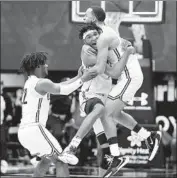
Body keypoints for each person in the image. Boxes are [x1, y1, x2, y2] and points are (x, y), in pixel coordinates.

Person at [64, 7, 161, 177]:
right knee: (113, 114)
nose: (84, 17)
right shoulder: (101, 36)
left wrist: (78, 79)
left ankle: (113, 156)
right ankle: (148, 136)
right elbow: (115, 45)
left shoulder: (101, 38)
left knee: (105, 113)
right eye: (89, 37)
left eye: (86, 15)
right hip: (113, 82)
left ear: (93, 18)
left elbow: (108, 70)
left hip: (127, 76)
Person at [62, 23, 134, 177]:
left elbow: (117, 71)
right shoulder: (86, 50)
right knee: (99, 108)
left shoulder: (105, 50)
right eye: (89, 36)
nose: (93, 38)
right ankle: (72, 146)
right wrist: (122, 53)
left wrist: (125, 49)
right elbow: (115, 72)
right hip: (90, 97)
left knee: (106, 150)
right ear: (84, 41)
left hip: (104, 99)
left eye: (95, 34)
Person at [17, 52, 96, 177]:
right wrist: (83, 79)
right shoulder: (41, 82)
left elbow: (60, 85)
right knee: (61, 161)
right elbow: (64, 91)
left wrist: (78, 77)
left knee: (46, 159)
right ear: (38, 66)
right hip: (34, 129)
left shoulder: (30, 83)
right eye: (44, 64)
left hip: (24, 132)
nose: (47, 65)